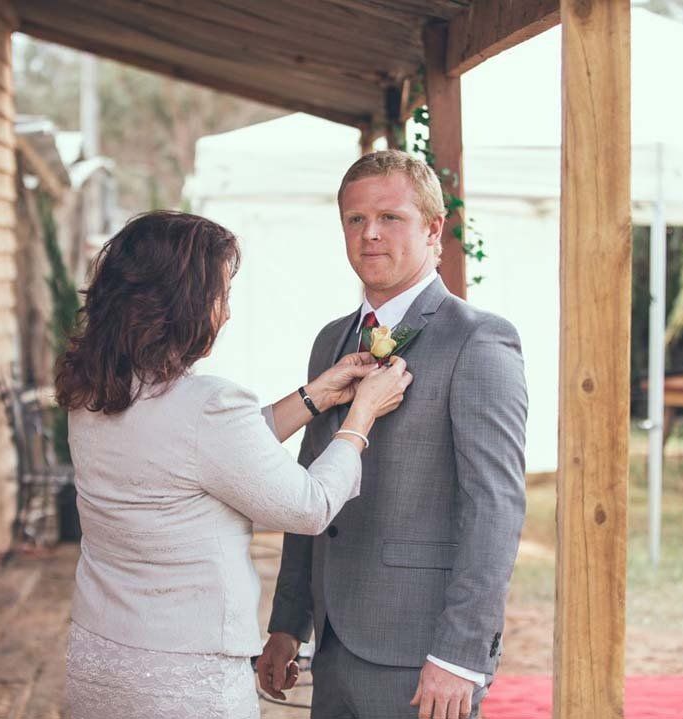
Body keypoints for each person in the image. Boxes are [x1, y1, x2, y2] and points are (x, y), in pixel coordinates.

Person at [54, 211, 413, 719]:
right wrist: (362, 414)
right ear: (184, 303)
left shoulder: (91, 391)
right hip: (184, 678)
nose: (225, 314)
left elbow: (199, 458)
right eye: (220, 295)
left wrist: (315, 395)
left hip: (100, 657)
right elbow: (308, 507)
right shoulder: (207, 405)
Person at [257, 150, 528, 719]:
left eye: (390, 217)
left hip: (421, 653)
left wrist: (459, 654)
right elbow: (312, 487)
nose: (369, 234)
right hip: (332, 642)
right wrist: (288, 623)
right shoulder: (332, 340)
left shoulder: (478, 341)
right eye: (355, 220)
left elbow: (495, 507)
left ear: (433, 229)